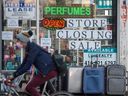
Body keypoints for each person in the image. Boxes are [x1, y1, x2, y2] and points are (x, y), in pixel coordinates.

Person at [6, 30, 58, 96]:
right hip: (46, 70)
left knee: (29, 87)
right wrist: (13, 75)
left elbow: (27, 66)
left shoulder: (33, 49)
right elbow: (23, 65)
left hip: (48, 71)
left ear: (23, 41)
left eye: (18, 41)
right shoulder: (29, 48)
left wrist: (14, 76)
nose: (17, 43)